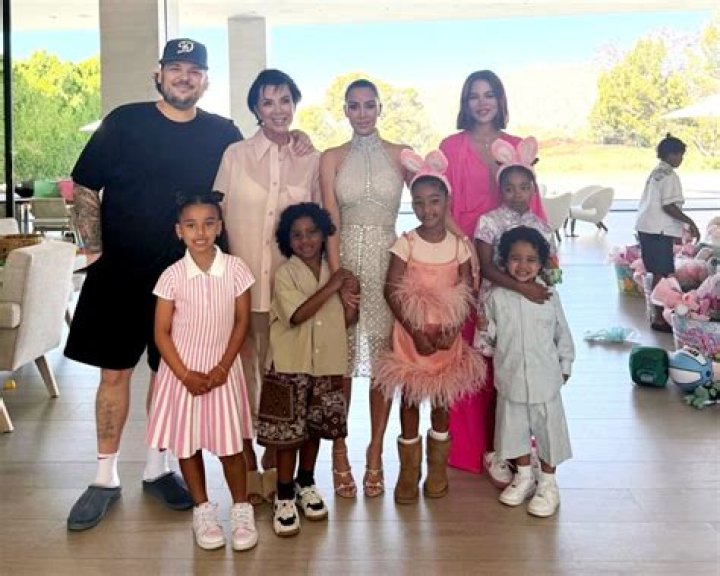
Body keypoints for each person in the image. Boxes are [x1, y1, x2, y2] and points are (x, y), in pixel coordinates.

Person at [65, 38, 243, 531]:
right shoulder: (125, 121)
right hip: (120, 273)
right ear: (159, 74)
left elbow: (250, 176)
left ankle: (157, 468)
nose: (185, 76)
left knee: (169, 378)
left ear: (205, 80)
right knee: (114, 375)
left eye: (194, 70)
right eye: (176, 67)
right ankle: (104, 478)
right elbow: (84, 184)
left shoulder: (223, 132)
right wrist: (94, 249)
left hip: (187, 280)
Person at [213, 69, 320, 505]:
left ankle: (277, 464)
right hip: (239, 288)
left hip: (288, 294)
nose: (278, 109)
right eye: (268, 102)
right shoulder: (235, 155)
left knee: (281, 379)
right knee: (241, 380)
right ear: (255, 108)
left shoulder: (310, 158)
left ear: (295, 103)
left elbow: (315, 227)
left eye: (285, 100)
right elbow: (216, 221)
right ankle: (248, 466)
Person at [439, 70, 547, 480]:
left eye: (489, 95)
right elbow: (441, 205)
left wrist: (541, 266)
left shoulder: (518, 146)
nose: (482, 103)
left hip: (515, 262)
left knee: (513, 351)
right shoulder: (450, 147)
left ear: (501, 100)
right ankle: (471, 448)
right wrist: (467, 250)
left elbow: (534, 208)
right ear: (464, 102)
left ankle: (513, 446)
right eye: (474, 96)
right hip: (464, 259)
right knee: (470, 354)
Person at [374, 150, 486, 505]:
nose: (427, 209)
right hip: (412, 337)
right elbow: (391, 290)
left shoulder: (459, 246)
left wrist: (453, 329)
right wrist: (414, 331)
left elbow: (467, 290)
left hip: (446, 338)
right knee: (410, 400)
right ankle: (409, 471)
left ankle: (437, 469)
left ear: (447, 202)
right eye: (419, 202)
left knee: (440, 400)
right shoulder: (406, 243)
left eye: (434, 201)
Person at [146, 191, 257, 551]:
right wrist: (185, 375)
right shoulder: (172, 276)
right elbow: (161, 332)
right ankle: (203, 510)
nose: (201, 232)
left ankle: (240, 509)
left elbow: (241, 323)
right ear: (179, 231)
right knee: (188, 443)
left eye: (209, 223)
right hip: (182, 374)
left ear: (220, 227)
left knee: (230, 445)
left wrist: (223, 367)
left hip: (223, 371)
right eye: (191, 225)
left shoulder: (236, 269)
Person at [320, 78, 410, 498]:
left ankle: (376, 451)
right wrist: (339, 277)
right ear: (344, 110)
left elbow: (433, 199)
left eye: (369, 105)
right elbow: (330, 222)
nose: (362, 113)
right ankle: (339, 452)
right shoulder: (332, 157)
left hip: (388, 264)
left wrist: (458, 242)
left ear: (379, 108)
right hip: (347, 264)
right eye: (353, 106)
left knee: (382, 364)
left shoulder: (401, 153)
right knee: (341, 363)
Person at [257, 203, 359, 536]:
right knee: (288, 437)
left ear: (324, 233)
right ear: (287, 241)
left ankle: (306, 482)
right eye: (297, 235)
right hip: (290, 366)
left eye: (312, 232)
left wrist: (351, 297)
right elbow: (297, 316)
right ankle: (284, 495)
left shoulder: (336, 271)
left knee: (314, 430)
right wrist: (333, 287)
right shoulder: (286, 274)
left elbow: (346, 320)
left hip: (326, 365)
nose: (306, 240)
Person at [484, 226, 574, 517]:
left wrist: (565, 365)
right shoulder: (496, 298)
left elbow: (562, 333)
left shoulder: (549, 295)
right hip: (510, 379)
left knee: (548, 432)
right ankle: (523, 476)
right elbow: (488, 340)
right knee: (513, 430)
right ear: (504, 260)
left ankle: (548, 484)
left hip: (545, 379)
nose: (522, 266)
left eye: (531, 260)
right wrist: (485, 328)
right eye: (515, 258)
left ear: (541, 263)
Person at [474, 137, 557, 361]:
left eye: (524, 188)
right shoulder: (488, 222)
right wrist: (522, 288)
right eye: (509, 189)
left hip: (533, 300)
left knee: (529, 350)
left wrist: (550, 281)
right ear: (500, 190)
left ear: (534, 190)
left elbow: (551, 268)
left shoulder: (542, 227)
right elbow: (486, 267)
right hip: (497, 300)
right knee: (502, 353)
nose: (517, 194)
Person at [635, 133, 700, 333]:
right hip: (658, 230)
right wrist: (690, 222)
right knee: (661, 274)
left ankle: (658, 314)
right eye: (680, 155)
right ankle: (659, 318)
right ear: (671, 154)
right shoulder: (670, 176)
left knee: (657, 272)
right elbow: (669, 206)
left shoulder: (657, 172)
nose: (681, 159)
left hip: (647, 227)